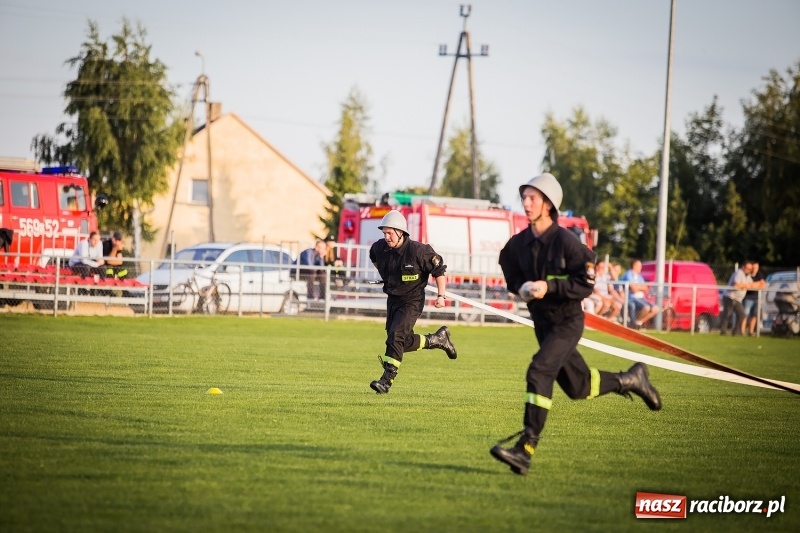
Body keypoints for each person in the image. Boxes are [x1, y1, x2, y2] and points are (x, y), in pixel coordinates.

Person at [490, 173, 661, 476]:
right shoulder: (516, 245)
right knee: (578, 386)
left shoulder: (568, 243)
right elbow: (510, 272)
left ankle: (526, 448)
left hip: (567, 323)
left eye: (533, 198)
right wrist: (522, 288)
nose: (526, 203)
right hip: (543, 325)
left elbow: (584, 286)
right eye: (524, 198)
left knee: (539, 370)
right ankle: (631, 380)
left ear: (549, 204)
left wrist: (549, 288)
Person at [368, 210, 457, 394]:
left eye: (390, 233)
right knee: (401, 340)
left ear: (401, 232)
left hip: (412, 300)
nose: (386, 237)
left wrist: (441, 296)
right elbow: (375, 259)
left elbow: (439, 270)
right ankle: (437, 340)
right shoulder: (379, 248)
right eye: (384, 233)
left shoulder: (419, 251)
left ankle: (386, 380)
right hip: (393, 299)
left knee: (396, 335)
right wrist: (388, 276)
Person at [619, 259, 659, 329]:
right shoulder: (628, 274)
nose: (641, 268)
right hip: (632, 298)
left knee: (656, 309)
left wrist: (637, 287)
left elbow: (645, 288)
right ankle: (634, 324)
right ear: (634, 266)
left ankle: (638, 322)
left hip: (641, 298)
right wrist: (639, 287)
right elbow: (633, 289)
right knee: (646, 308)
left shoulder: (639, 276)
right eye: (639, 266)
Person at [720, 260, 754, 336]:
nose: (749, 270)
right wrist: (745, 285)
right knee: (727, 314)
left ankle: (736, 331)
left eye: (750, 269)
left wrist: (746, 285)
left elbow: (751, 285)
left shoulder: (747, 276)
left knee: (742, 315)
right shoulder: (739, 273)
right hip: (730, 296)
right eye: (748, 268)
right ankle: (723, 331)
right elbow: (736, 284)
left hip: (738, 299)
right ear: (743, 267)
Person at [742, 261, 766, 336]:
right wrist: (757, 284)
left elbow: (763, 285)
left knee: (754, 315)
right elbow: (747, 285)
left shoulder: (759, 274)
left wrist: (754, 285)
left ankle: (751, 331)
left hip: (756, 298)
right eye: (754, 267)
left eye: (757, 267)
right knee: (745, 315)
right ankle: (742, 331)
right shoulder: (747, 275)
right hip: (748, 298)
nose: (755, 269)